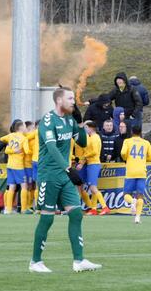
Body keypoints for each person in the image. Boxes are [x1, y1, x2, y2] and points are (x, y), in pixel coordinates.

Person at [29, 87, 101, 273]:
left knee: (76, 214)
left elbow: (83, 143)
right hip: (49, 176)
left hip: (64, 176)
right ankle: (35, 262)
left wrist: (79, 123)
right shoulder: (47, 120)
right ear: (59, 100)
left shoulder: (69, 120)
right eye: (69, 98)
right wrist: (68, 168)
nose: (73, 101)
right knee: (47, 219)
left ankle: (79, 260)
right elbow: (52, 148)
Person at [120, 125, 151, 224]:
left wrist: (127, 158)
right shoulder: (146, 143)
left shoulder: (127, 141)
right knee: (140, 195)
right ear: (141, 132)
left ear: (131, 131)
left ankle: (132, 202)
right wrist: (144, 159)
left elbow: (123, 153)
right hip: (141, 171)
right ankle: (137, 217)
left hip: (131, 171)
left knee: (126, 194)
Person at [75, 121, 110, 215]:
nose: (85, 130)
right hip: (91, 163)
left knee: (93, 187)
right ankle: (94, 208)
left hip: (93, 164)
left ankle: (105, 207)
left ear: (90, 128)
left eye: (86, 128)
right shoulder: (93, 137)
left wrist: (83, 157)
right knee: (92, 186)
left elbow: (94, 151)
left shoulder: (94, 138)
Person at [1, 120, 30, 215]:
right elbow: (27, 151)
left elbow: (2, 139)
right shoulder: (24, 138)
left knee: (11, 187)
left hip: (10, 166)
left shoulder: (10, 136)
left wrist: (12, 149)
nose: (26, 129)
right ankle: (24, 209)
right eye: (25, 127)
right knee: (24, 186)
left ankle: (8, 209)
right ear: (21, 128)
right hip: (18, 166)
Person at [23, 121, 37, 213]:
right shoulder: (26, 137)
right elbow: (26, 150)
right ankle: (27, 206)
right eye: (32, 128)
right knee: (29, 186)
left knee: (33, 186)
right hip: (27, 165)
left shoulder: (35, 136)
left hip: (33, 163)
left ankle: (32, 206)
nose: (33, 130)